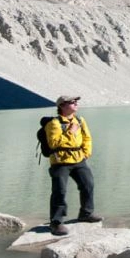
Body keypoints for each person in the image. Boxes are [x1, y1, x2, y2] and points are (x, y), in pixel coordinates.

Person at [45, 95, 103, 235]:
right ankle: (56, 222)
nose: (76, 104)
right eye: (72, 102)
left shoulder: (80, 120)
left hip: (79, 159)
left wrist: (86, 152)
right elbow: (54, 143)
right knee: (60, 191)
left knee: (88, 184)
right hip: (61, 162)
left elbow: (87, 138)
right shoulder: (54, 123)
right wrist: (70, 132)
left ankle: (86, 213)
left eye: (76, 102)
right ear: (62, 106)